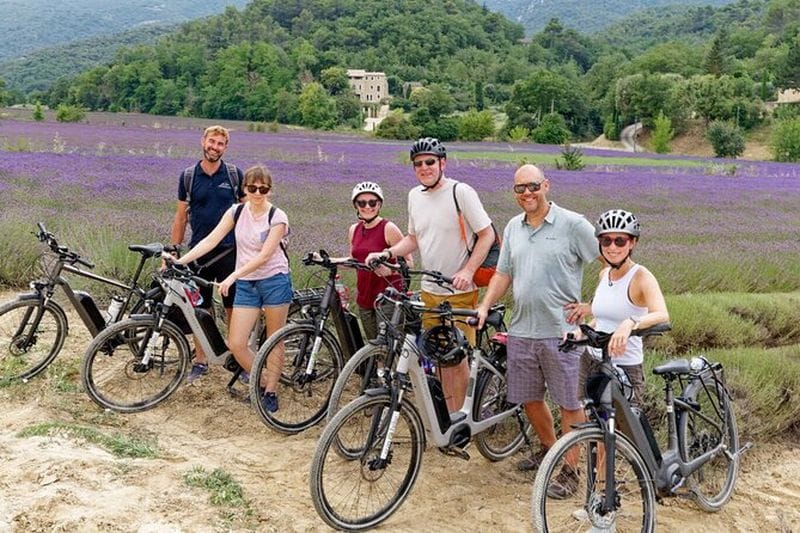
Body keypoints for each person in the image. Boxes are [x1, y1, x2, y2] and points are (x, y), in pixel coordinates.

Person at [474, 164, 598, 489]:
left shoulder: (573, 224)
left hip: (562, 333)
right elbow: (503, 273)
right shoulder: (513, 227)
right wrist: (484, 306)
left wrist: (593, 307)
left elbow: (610, 263)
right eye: (520, 188)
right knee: (529, 398)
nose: (527, 193)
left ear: (546, 185)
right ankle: (549, 450)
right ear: (514, 193)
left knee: (569, 403)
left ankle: (570, 471)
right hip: (522, 331)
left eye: (532, 186)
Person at [366, 137, 495, 412]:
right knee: (437, 357)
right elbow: (413, 238)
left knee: (456, 358)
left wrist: (468, 270)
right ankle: (448, 414)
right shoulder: (414, 196)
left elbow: (487, 234)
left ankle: (462, 418)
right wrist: (388, 253)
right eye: (418, 164)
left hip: (459, 292)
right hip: (430, 292)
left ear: (442, 163)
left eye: (430, 162)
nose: (424, 167)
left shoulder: (461, 192)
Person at [177, 165, 291, 413]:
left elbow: (264, 256)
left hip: (274, 280)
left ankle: (271, 392)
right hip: (248, 284)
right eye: (252, 188)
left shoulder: (277, 217)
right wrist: (180, 261)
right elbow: (211, 240)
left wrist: (233, 276)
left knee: (274, 340)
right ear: (244, 189)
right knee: (236, 343)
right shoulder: (236, 212)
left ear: (270, 191)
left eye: (263, 189)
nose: (257, 193)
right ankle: (263, 380)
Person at [570, 209, 669, 408]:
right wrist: (582, 331)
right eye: (606, 241)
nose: (612, 247)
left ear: (632, 243)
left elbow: (662, 315)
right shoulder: (604, 274)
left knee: (625, 425)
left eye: (620, 241)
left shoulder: (641, 276)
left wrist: (630, 323)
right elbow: (602, 317)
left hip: (624, 365)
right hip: (592, 360)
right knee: (589, 419)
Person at [170, 125, 244, 383]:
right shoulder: (188, 176)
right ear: (203, 141)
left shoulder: (234, 175)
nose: (215, 147)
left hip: (229, 253)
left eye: (220, 143)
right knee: (198, 309)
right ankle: (201, 360)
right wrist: (174, 249)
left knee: (233, 309)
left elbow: (247, 214)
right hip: (198, 253)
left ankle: (238, 360)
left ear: (226, 147)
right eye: (212, 142)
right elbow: (181, 218)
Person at [347, 181, 411, 341]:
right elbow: (354, 260)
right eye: (362, 203)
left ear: (379, 204)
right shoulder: (354, 229)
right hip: (365, 296)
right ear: (355, 205)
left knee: (388, 345)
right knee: (372, 345)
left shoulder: (388, 228)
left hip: (387, 298)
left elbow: (409, 263)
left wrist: (390, 270)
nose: (367, 207)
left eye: (372, 202)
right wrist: (326, 260)